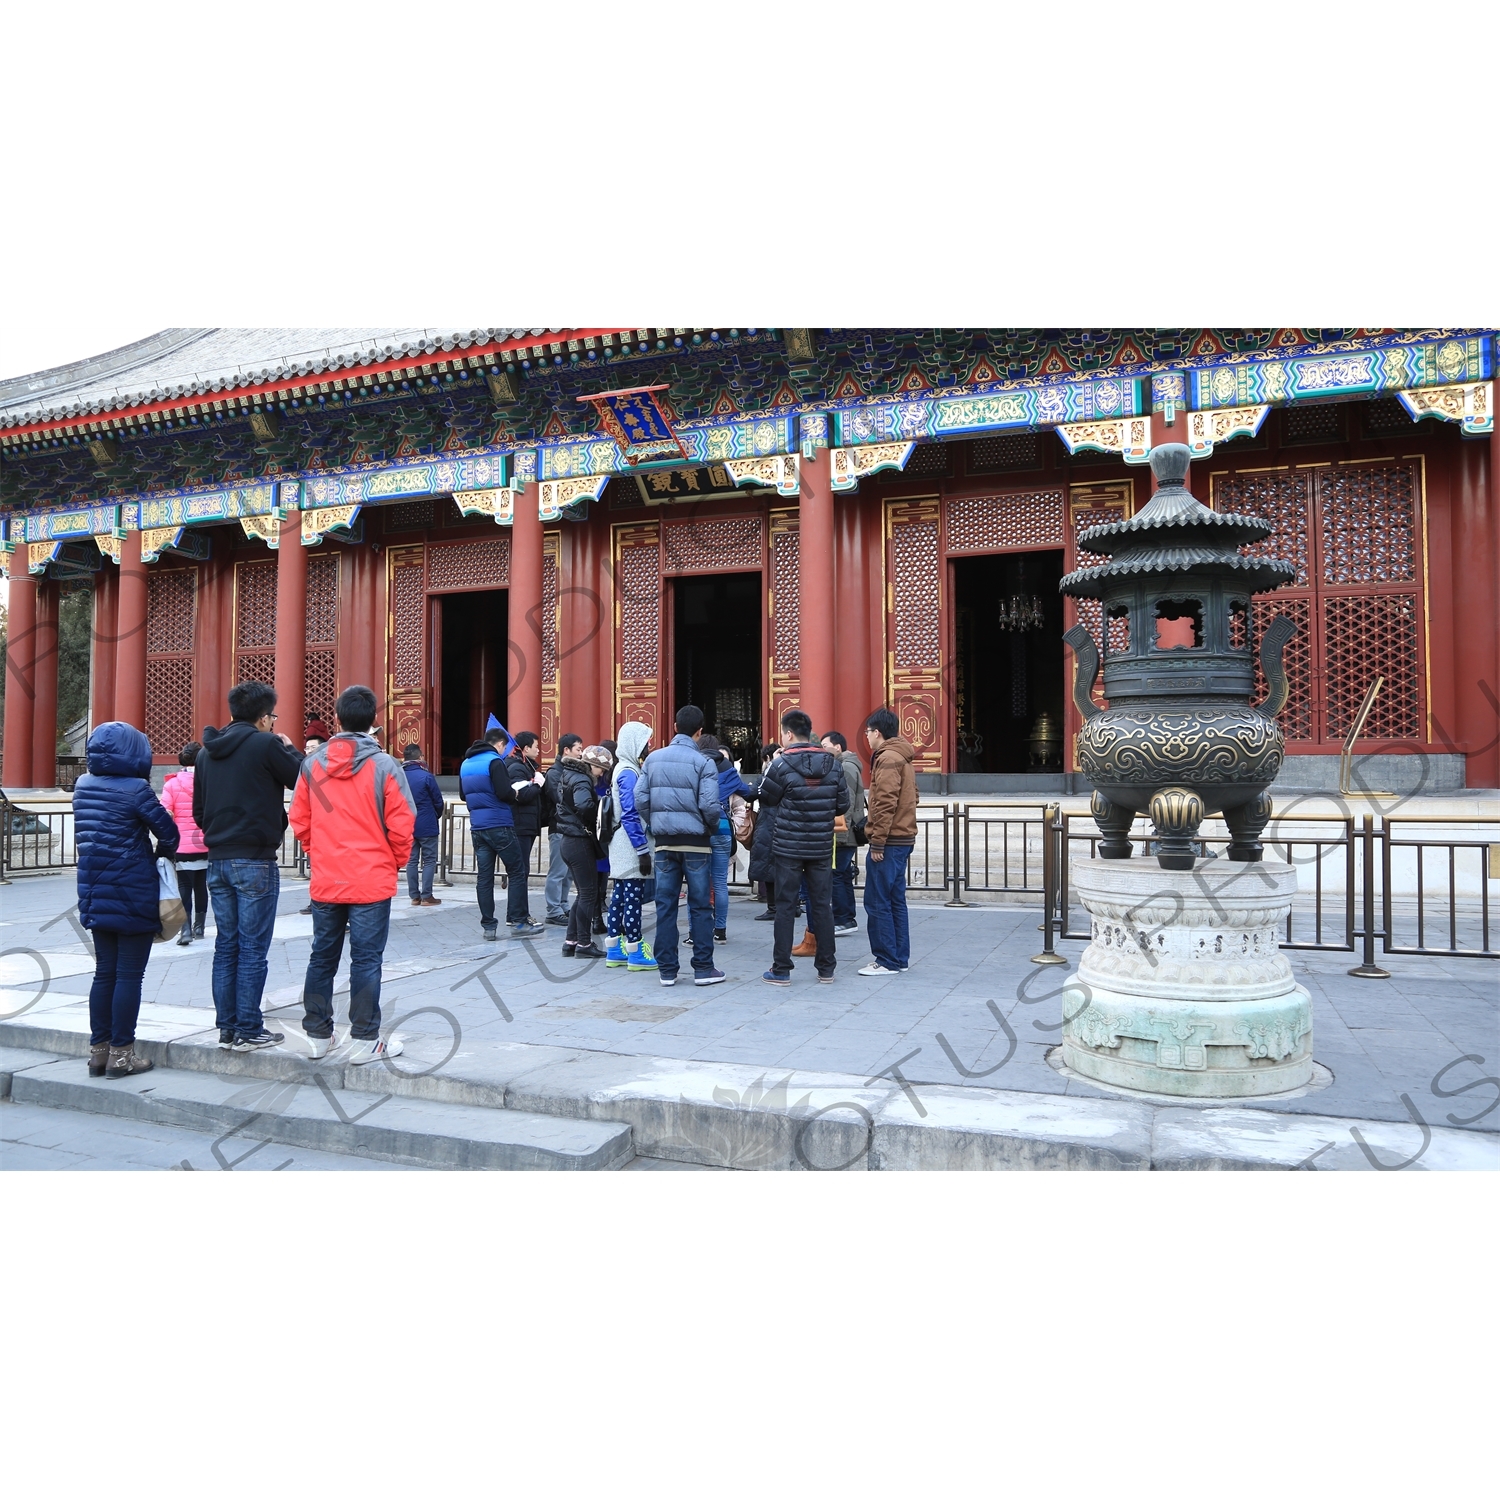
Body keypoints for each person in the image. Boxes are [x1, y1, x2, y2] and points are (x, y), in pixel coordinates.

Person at [290, 685, 416, 1063]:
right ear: (373, 723)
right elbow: (403, 823)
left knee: (321, 957)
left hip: (328, 877)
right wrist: (393, 862)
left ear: (337, 720)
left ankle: (317, 1033)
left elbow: (299, 820)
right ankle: (364, 1039)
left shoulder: (312, 764)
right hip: (371, 878)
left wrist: (320, 853)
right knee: (366, 960)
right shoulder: (385, 765)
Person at [194, 680, 304, 1050]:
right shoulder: (266, 743)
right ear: (262, 717)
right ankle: (249, 1027)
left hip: (217, 860)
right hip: (255, 860)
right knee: (253, 948)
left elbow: (198, 811)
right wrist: (292, 750)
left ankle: (227, 1027)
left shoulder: (206, 753)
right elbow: (304, 780)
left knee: (227, 945)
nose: (273, 723)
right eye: (272, 716)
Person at [74, 722, 181, 1079]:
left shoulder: (82, 785)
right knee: (129, 976)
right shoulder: (136, 789)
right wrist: (160, 855)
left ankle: (99, 1054)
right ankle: (123, 1055)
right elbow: (169, 832)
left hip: (93, 889)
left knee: (104, 973)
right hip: (133, 890)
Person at [634, 705, 725, 988]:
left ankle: (667, 971)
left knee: (666, 906)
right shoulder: (704, 763)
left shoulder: (653, 759)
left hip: (664, 844)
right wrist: (707, 828)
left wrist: (655, 824)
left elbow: (640, 799)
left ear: (674, 727)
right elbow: (710, 805)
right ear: (700, 732)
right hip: (696, 843)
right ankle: (703, 968)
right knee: (699, 906)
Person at [757, 709, 849, 986]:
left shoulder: (781, 764)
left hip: (788, 846)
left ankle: (781, 969)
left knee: (785, 906)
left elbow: (767, 799)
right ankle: (826, 968)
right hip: (821, 845)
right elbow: (842, 805)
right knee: (822, 905)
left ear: (787, 734)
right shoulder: (833, 764)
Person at [460, 725, 544, 941]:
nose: (505, 751)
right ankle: (518, 921)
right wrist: (521, 790)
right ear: (498, 744)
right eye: (504, 747)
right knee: (517, 871)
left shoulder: (466, 763)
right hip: (499, 823)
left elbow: (462, 795)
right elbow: (505, 793)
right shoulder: (494, 762)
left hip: (478, 827)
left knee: (484, 878)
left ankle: (489, 926)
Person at [860, 707, 918, 976]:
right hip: (903, 837)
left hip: (890, 840)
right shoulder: (903, 755)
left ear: (877, 732)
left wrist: (878, 841)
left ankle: (886, 960)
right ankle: (899, 958)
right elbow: (913, 796)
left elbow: (884, 802)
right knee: (895, 900)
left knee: (877, 901)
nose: (867, 737)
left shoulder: (887, 758)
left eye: (868, 732)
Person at [604, 722, 657, 971]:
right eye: (646, 742)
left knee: (620, 897)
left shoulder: (622, 769)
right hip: (629, 842)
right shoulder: (628, 772)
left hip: (622, 841)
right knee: (632, 898)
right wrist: (642, 850)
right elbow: (630, 813)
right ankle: (635, 949)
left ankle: (615, 948)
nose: (649, 746)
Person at [551, 742, 610, 958]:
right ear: (592, 764)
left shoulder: (568, 774)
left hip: (568, 840)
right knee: (588, 893)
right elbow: (584, 805)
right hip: (579, 840)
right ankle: (584, 944)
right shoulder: (583, 779)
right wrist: (599, 813)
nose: (602, 773)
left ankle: (571, 941)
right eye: (601, 768)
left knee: (582, 893)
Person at [699, 733, 756, 944]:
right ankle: (720, 930)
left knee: (699, 883)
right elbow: (746, 792)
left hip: (699, 829)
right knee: (721, 883)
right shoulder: (727, 769)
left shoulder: (693, 763)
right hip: (722, 826)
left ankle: (694, 932)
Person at [160, 741, 209, 945]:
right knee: (201, 886)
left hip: (181, 845)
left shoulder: (171, 784)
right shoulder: (208, 781)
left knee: (184, 886)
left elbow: (164, 812)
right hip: (205, 843)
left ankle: (186, 929)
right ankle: (200, 927)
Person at [822, 731, 866, 936]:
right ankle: (847, 917)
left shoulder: (845, 766)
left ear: (837, 747)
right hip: (846, 830)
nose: (823, 749)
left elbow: (845, 803)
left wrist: (839, 833)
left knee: (838, 875)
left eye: (825, 745)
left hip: (844, 832)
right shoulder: (847, 764)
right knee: (843, 874)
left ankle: (843, 918)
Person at [504, 731, 549, 924]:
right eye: (536, 746)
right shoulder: (517, 768)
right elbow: (520, 795)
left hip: (526, 823)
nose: (539, 750)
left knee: (521, 871)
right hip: (520, 824)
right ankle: (518, 916)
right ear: (525, 748)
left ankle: (517, 915)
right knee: (520, 871)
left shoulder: (524, 766)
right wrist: (538, 785)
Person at [544, 733, 583, 924]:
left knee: (568, 871)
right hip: (559, 826)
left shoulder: (571, 771)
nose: (580, 754)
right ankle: (553, 909)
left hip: (570, 827)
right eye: (578, 749)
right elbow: (559, 798)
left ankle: (563, 904)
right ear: (566, 750)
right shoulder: (554, 772)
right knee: (557, 871)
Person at [402, 744, 445, 906]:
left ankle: (414, 896)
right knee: (429, 860)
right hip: (426, 823)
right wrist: (435, 815)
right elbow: (438, 801)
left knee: (411, 860)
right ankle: (427, 895)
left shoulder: (399, 775)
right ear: (420, 757)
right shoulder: (426, 776)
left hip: (406, 823)